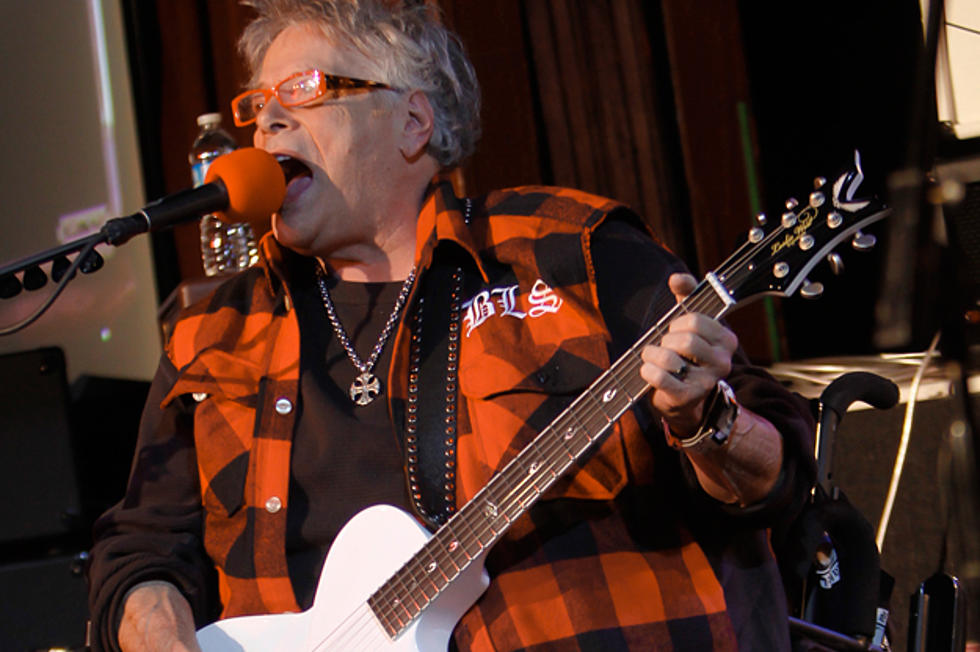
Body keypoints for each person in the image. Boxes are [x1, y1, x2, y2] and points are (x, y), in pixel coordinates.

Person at [87, 1, 815, 650]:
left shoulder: (569, 251)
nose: (268, 121)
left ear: (411, 122)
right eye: (258, 104)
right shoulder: (212, 331)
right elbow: (142, 550)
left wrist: (706, 423)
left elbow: (777, 474)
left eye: (305, 91)